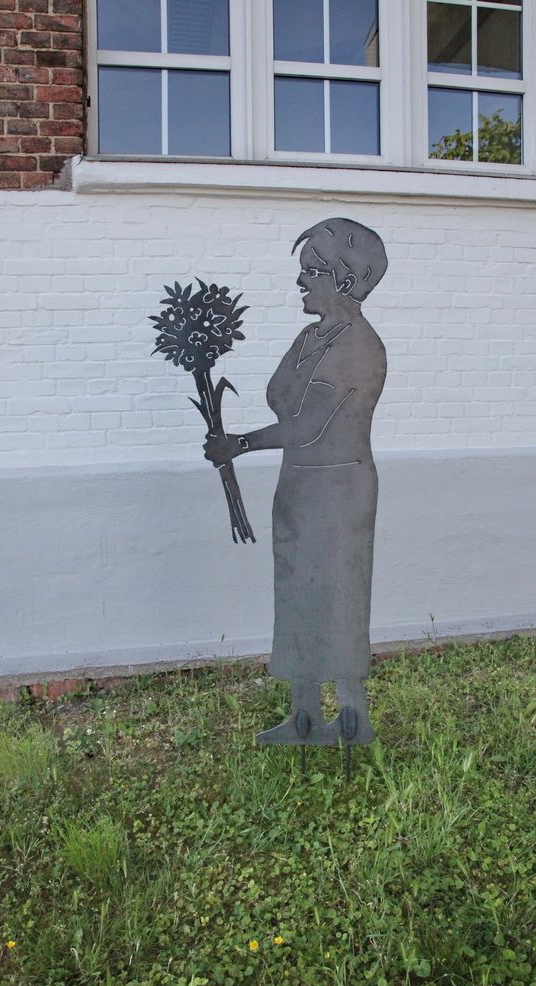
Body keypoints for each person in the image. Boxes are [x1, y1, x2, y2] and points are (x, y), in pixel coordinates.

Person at [204, 218, 388, 745]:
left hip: (339, 491)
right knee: (298, 596)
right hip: (299, 487)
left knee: (339, 594)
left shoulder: (358, 346)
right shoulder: (311, 337)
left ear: (346, 279)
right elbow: (284, 403)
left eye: (312, 271)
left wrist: (240, 444)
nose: (301, 281)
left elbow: (308, 424)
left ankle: (352, 717)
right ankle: (303, 715)